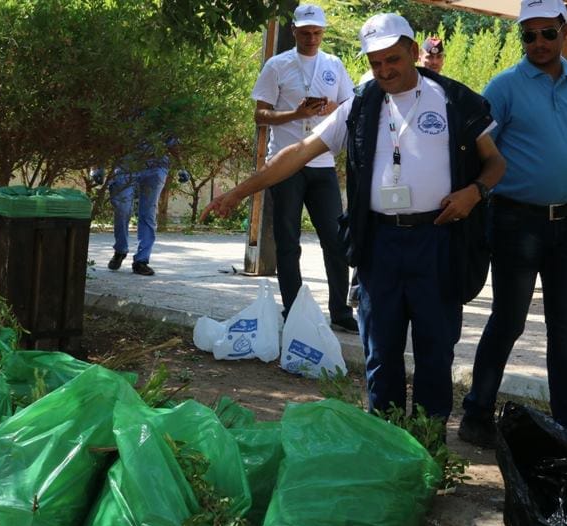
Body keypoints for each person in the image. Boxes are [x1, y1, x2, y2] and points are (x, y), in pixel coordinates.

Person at [203, 13, 505, 421]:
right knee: (380, 349)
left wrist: (475, 192)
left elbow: (496, 163)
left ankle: (429, 440)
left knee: (436, 347)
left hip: (437, 239)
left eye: (393, 59)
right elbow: (298, 152)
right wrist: (238, 192)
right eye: (375, 63)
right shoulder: (360, 105)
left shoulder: (454, 99)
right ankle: (384, 434)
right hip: (379, 243)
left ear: (413, 51)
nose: (384, 70)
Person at [459, 0, 567, 448]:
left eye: (547, 33)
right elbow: (477, 152)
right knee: (508, 321)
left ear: (564, 32)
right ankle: (476, 415)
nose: (538, 43)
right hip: (515, 221)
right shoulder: (503, 87)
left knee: (566, 330)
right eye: (529, 35)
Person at [250, 4, 358, 333]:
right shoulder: (277, 65)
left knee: (335, 240)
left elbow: (351, 106)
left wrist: (330, 107)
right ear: (294, 31)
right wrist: (296, 114)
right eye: (306, 32)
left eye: (317, 33)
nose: (311, 38)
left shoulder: (333, 64)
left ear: (323, 33)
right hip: (285, 163)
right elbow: (260, 115)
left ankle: (340, 311)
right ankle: (293, 309)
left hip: (322, 162)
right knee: (288, 242)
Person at [106, 140, 174, 276]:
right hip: (127, 164)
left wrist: (183, 167)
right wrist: (98, 167)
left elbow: (174, 142)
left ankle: (141, 260)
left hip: (156, 166)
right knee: (122, 208)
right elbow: (108, 138)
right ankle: (120, 249)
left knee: (148, 213)